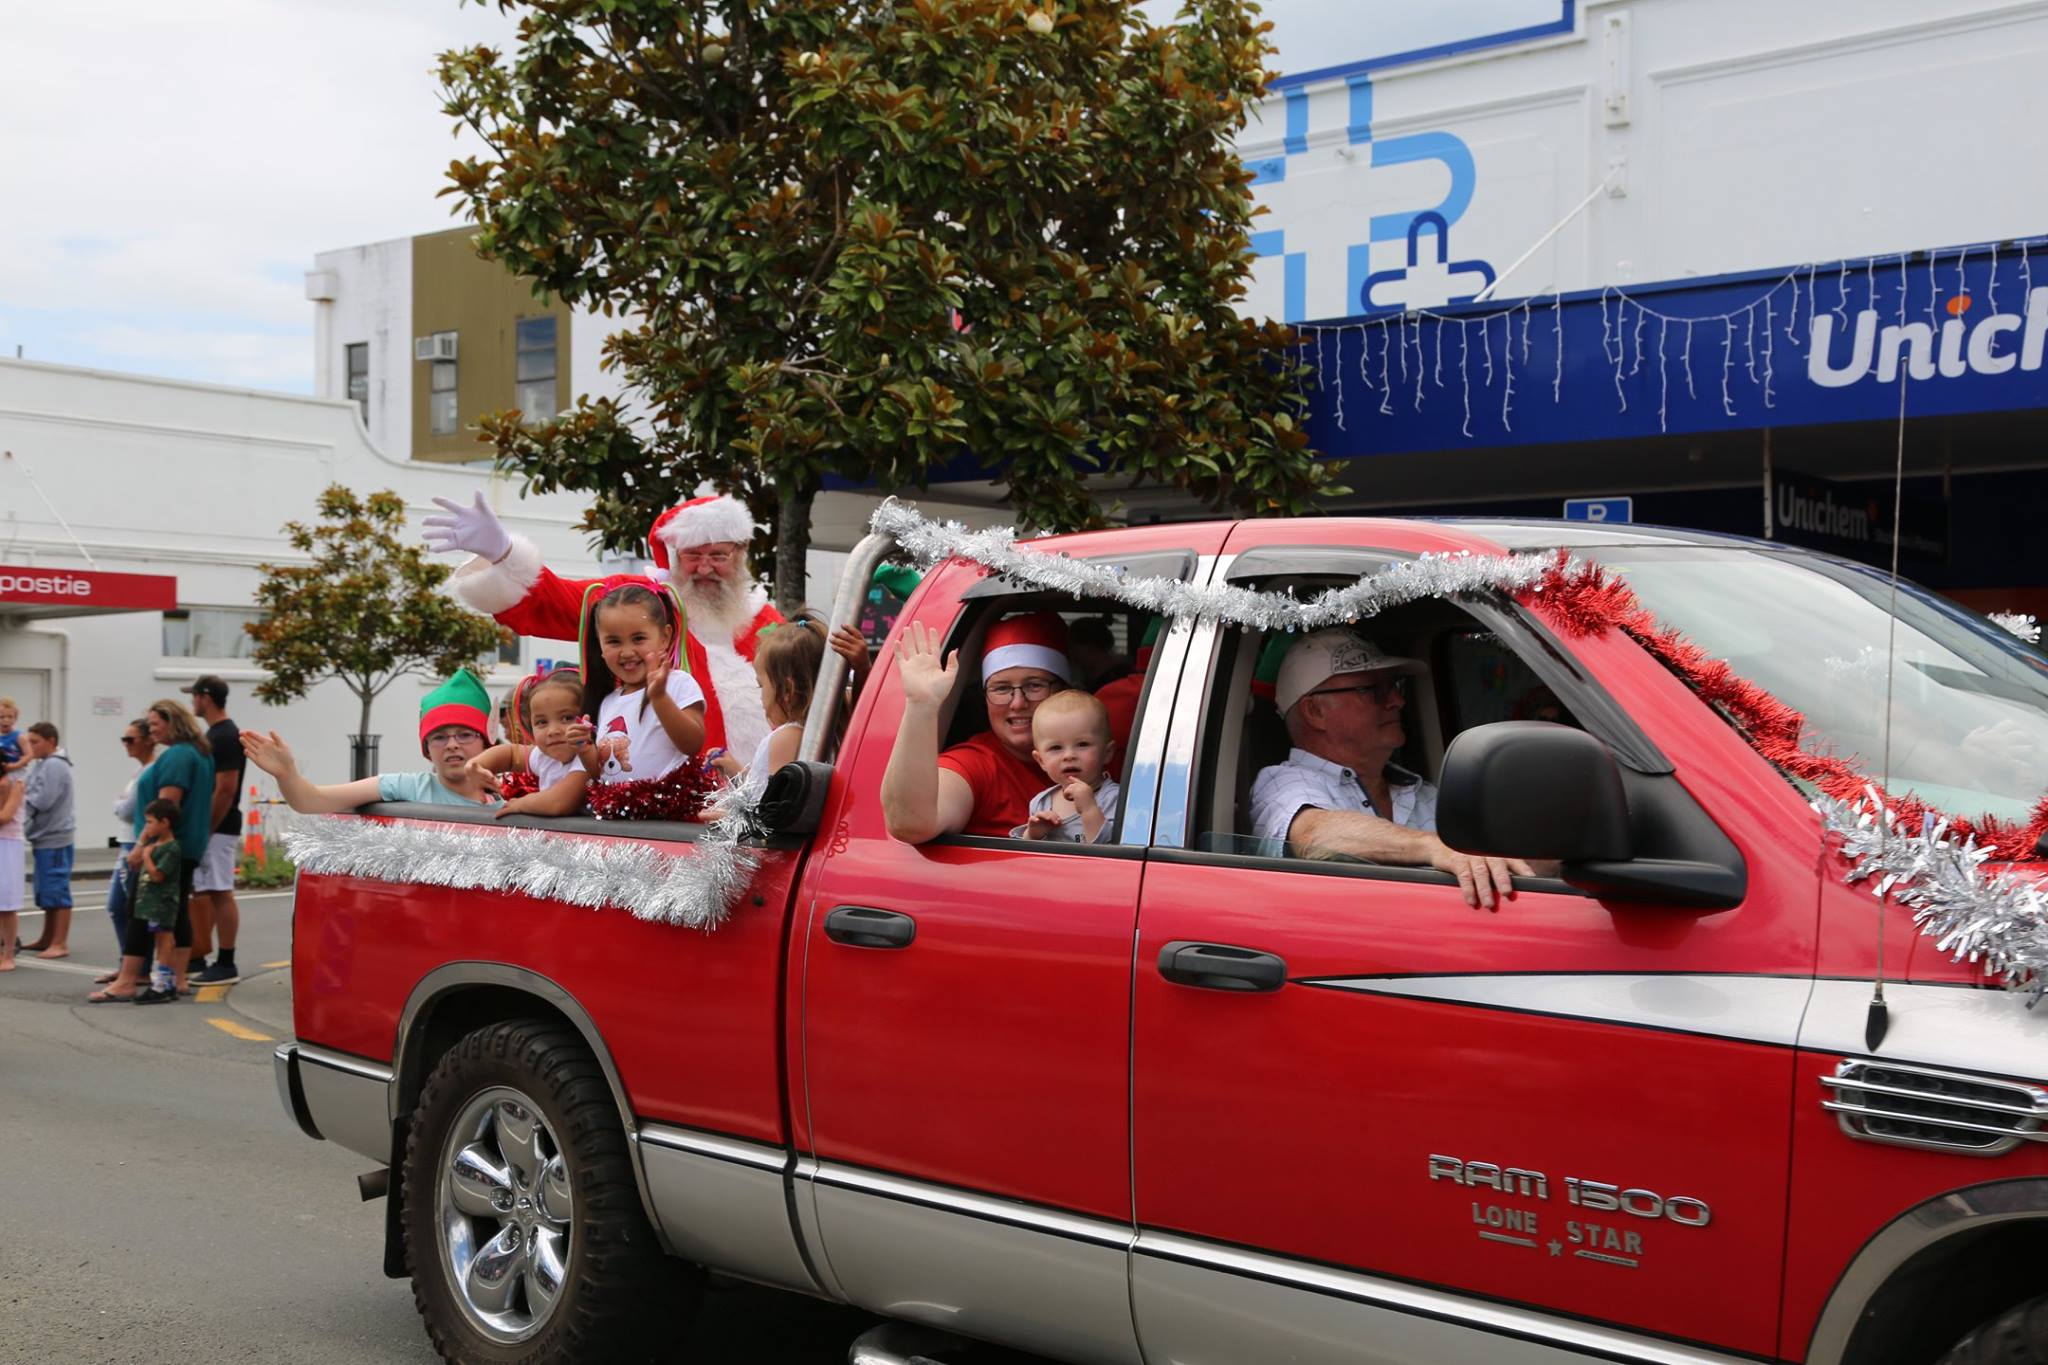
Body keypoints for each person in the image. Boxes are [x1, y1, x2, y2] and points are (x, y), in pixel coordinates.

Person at [426, 491, 783, 760]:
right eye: (693, 555)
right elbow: (554, 601)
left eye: (718, 555)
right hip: (667, 799)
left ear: (740, 554)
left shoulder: (767, 623)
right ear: (674, 556)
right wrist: (503, 553)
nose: (705, 567)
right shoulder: (645, 602)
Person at [1248, 628, 1533, 911]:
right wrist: (1435, 847)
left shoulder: (1424, 794)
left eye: (1394, 686)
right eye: (1372, 690)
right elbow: (1313, 835)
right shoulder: (1283, 782)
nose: (1397, 700)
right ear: (1315, 711)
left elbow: (1510, 861)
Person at [882, 612, 1072, 842]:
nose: (1017, 703)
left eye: (1034, 686)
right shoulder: (976, 763)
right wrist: (921, 705)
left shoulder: (1097, 753)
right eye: (1001, 688)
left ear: (1063, 691)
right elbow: (910, 823)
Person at [88, 699, 212, 1002]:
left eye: (156, 723)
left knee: (139, 909)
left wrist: (142, 845)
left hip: (165, 847)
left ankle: (127, 980)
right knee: (176, 911)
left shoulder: (177, 756)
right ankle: (178, 979)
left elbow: (165, 807)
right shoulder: (200, 753)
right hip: (191, 844)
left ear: (172, 722)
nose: (151, 730)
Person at [243, 670, 502, 813]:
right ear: (426, 749)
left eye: (465, 734)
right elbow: (312, 801)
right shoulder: (407, 787)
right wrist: (287, 774)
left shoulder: (508, 802)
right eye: (439, 737)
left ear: (486, 743)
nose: (452, 744)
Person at [582, 582, 706, 783]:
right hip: (615, 803)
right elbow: (604, 773)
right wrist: (584, 749)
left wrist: (659, 698)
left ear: (664, 637)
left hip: (666, 802)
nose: (627, 652)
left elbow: (693, 744)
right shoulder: (608, 702)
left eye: (638, 638)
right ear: (600, 644)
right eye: (614, 641)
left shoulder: (678, 683)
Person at [710, 610, 830, 787]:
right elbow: (765, 789)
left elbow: (774, 801)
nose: (761, 696)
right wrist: (736, 772)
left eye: (761, 686)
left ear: (787, 690)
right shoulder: (820, 731)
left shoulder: (787, 738)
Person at [183, 675, 245, 985]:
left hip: (219, 826)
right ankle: (198, 955)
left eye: (193, 696)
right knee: (205, 891)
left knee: (220, 892)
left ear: (205, 697)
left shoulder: (226, 736)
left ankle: (226, 962)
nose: (191, 702)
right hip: (215, 826)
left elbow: (226, 789)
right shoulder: (216, 734)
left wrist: (205, 828)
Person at [465, 670, 595, 818]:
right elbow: (511, 754)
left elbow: (558, 802)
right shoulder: (545, 756)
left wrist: (519, 804)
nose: (553, 731)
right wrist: (476, 766)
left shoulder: (586, 759)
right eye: (542, 722)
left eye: (567, 718)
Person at [1014, 689, 1121, 844]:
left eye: (1082, 744)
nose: (1069, 755)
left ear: (1107, 753)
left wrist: (1089, 809)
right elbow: (1026, 853)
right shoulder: (1041, 802)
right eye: (1056, 747)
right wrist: (1032, 834)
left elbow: (1110, 850)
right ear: (1041, 761)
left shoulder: (1115, 798)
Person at [98, 718, 157, 982]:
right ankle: (130, 965)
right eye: (124, 739)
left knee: (125, 907)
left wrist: (118, 803)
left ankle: (137, 968)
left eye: (130, 739)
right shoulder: (140, 770)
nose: (126, 744)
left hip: (134, 843)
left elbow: (127, 809)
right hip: (128, 841)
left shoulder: (149, 771)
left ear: (148, 740)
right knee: (120, 907)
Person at [19, 722, 75, 958]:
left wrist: (21, 797)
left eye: (35, 742)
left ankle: (59, 943)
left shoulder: (54, 764)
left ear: (51, 741)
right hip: (45, 836)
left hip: (55, 836)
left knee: (57, 889)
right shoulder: (43, 763)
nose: (31, 747)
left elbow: (43, 800)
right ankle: (47, 938)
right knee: (46, 891)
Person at [128, 799, 185, 1005]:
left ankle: (160, 984)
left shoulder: (171, 848)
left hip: (162, 904)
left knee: (165, 942)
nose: (147, 827)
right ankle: (167, 983)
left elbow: (158, 875)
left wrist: (146, 857)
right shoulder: (156, 846)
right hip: (152, 904)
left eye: (150, 822)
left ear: (165, 823)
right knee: (161, 942)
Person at [1067, 617, 1132, 690]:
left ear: (1091, 646)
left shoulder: (1120, 678)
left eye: (1072, 647)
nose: (1071, 653)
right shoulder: (1088, 680)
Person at [0, 765, 23, 970]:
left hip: (7, 844)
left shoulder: (14, 784)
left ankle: (8, 954)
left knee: (6, 903)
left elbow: (4, 816)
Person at [0, 696, 25, 775]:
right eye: (2, 717)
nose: (6, 720)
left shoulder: (19, 736)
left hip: (15, 771)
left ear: (15, 719)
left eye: (10, 717)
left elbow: (29, 755)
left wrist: (16, 765)